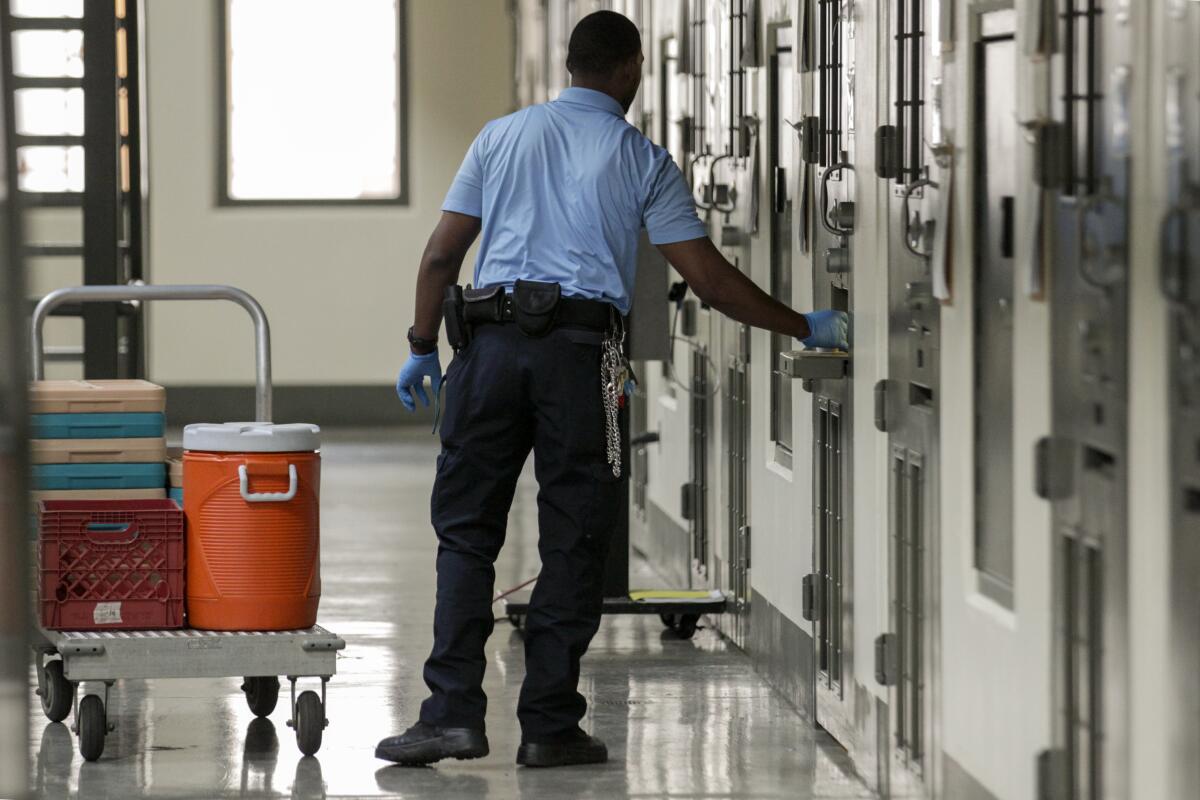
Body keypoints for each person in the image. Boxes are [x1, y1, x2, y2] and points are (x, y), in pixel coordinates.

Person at [376, 10, 849, 769]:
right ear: (630, 70)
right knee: (575, 537)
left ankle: (450, 716)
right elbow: (712, 283)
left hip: (487, 349)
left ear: (570, 65)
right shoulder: (642, 159)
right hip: (582, 358)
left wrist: (419, 346)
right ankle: (549, 725)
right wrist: (802, 325)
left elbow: (440, 257)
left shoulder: (499, 137)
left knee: (466, 534)